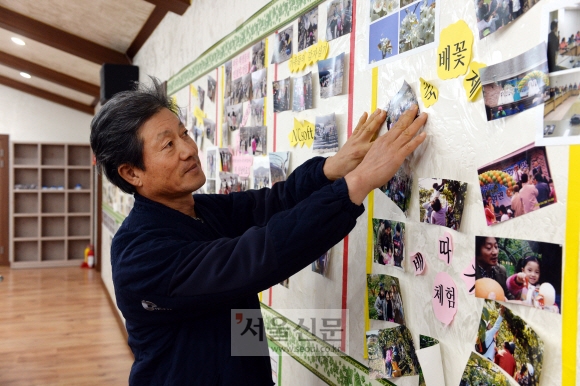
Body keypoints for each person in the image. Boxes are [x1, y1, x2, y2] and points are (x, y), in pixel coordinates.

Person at [89, 79, 428, 385]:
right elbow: (256, 257)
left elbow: (269, 204)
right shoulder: (140, 255)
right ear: (132, 173)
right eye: (167, 145)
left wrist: (330, 170)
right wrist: (359, 182)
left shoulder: (201, 210)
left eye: (185, 133)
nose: (188, 149)